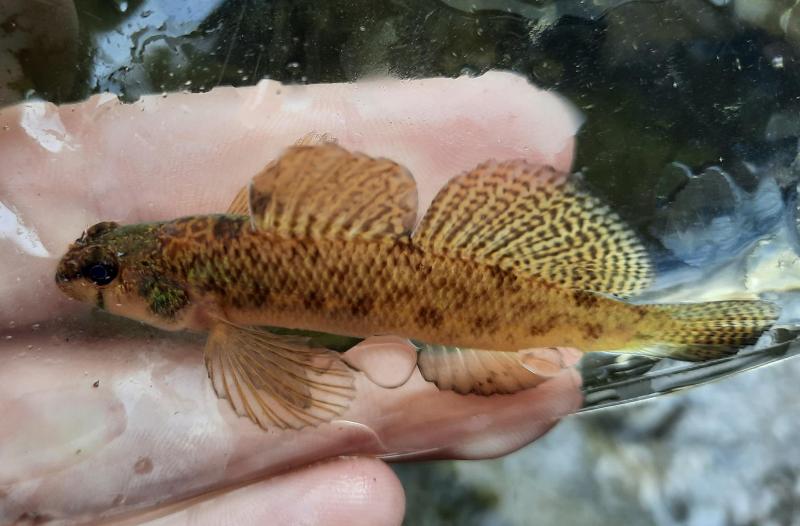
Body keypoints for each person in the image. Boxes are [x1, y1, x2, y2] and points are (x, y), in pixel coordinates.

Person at [0, 72, 583, 524]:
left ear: (175, 290)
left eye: (103, 272)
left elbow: (280, 381)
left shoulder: (213, 310)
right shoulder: (207, 244)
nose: (85, 281)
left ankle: (643, 330)